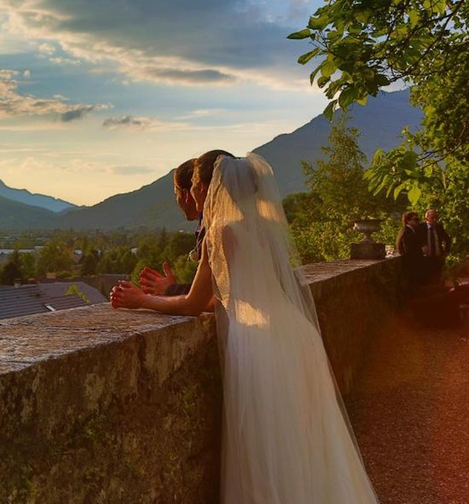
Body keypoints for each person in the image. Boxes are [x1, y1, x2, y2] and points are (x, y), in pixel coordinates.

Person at [111, 152, 378, 503]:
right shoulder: (264, 226)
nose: (194, 196)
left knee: (266, 445)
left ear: (208, 187)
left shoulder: (220, 232)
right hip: (297, 336)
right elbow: (218, 298)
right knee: (309, 444)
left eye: (194, 187)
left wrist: (141, 300)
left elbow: (195, 303)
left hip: (261, 344)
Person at [139, 150, 235, 296]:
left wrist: (168, 291)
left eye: (177, 194)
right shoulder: (246, 224)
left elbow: (213, 296)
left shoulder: (218, 230)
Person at [421, 209, 451, 285]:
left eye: (436, 217)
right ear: (426, 218)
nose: (435, 220)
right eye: (432, 218)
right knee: (428, 281)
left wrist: (446, 252)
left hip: (438, 257)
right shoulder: (421, 228)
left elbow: (447, 239)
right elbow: (415, 242)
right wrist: (421, 249)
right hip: (426, 259)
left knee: (439, 279)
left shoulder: (439, 227)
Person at [396, 211, 425, 285]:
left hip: (410, 263)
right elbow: (408, 249)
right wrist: (421, 250)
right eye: (415, 220)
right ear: (408, 221)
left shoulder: (407, 230)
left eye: (418, 219)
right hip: (410, 264)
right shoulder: (407, 232)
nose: (418, 221)